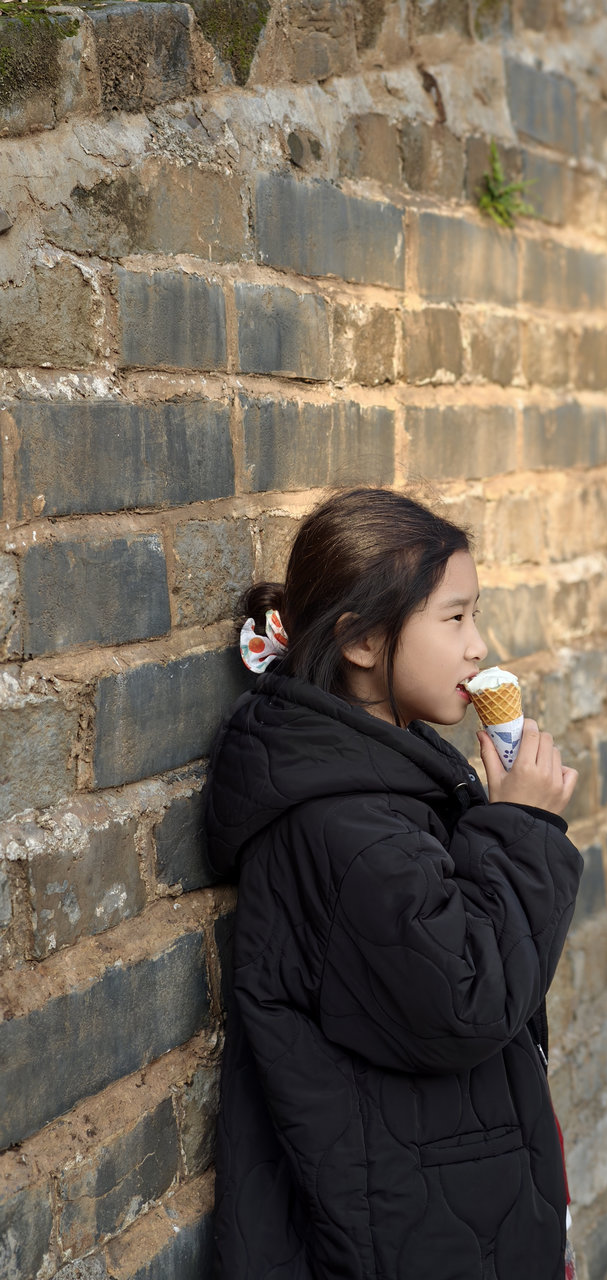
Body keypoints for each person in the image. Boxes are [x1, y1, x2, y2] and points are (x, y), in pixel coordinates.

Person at [205, 487, 583, 1280]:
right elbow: (466, 995)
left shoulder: (393, 777)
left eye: (476, 616)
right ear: (361, 641)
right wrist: (523, 828)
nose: (478, 646)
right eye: (455, 619)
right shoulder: (341, 828)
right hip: (402, 1236)